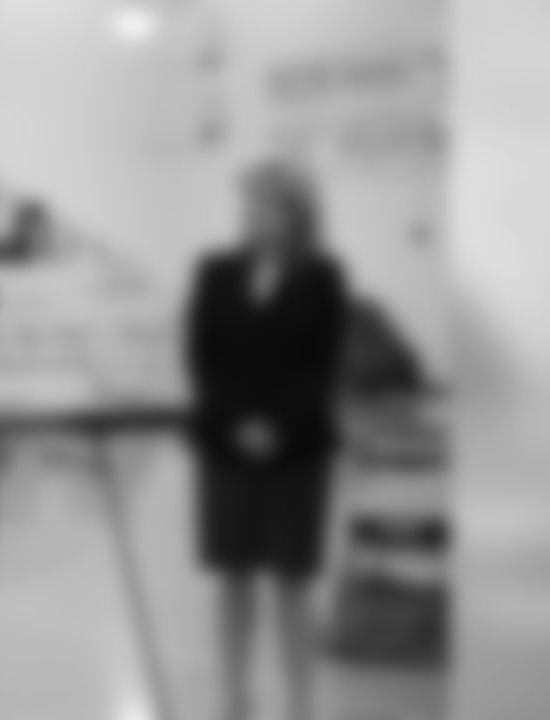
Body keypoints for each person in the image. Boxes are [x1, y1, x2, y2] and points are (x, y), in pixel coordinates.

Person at [183, 161, 350, 720]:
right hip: (225, 447)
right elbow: (201, 357)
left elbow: (322, 367)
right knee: (232, 577)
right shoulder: (215, 271)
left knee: (291, 582)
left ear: (297, 214)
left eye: (267, 205)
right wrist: (237, 423)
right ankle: (234, 696)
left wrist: (277, 426)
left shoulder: (324, 276)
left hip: (297, 450)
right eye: (249, 204)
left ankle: (300, 702)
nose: (254, 215)